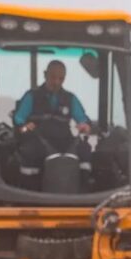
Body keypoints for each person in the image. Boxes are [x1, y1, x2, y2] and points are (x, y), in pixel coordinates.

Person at [13, 60, 92, 190]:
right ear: (45, 74)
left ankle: (84, 192)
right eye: (53, 77)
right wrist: (25, 126)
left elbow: (83, 120)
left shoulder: (70, 98)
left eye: (61, 78)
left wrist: (85, 126)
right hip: (37, 140)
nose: (56, 82)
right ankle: (29, 194)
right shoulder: (31, 96)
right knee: (29, 152)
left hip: (64, 141)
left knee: (85, 149)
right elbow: (18, 119)